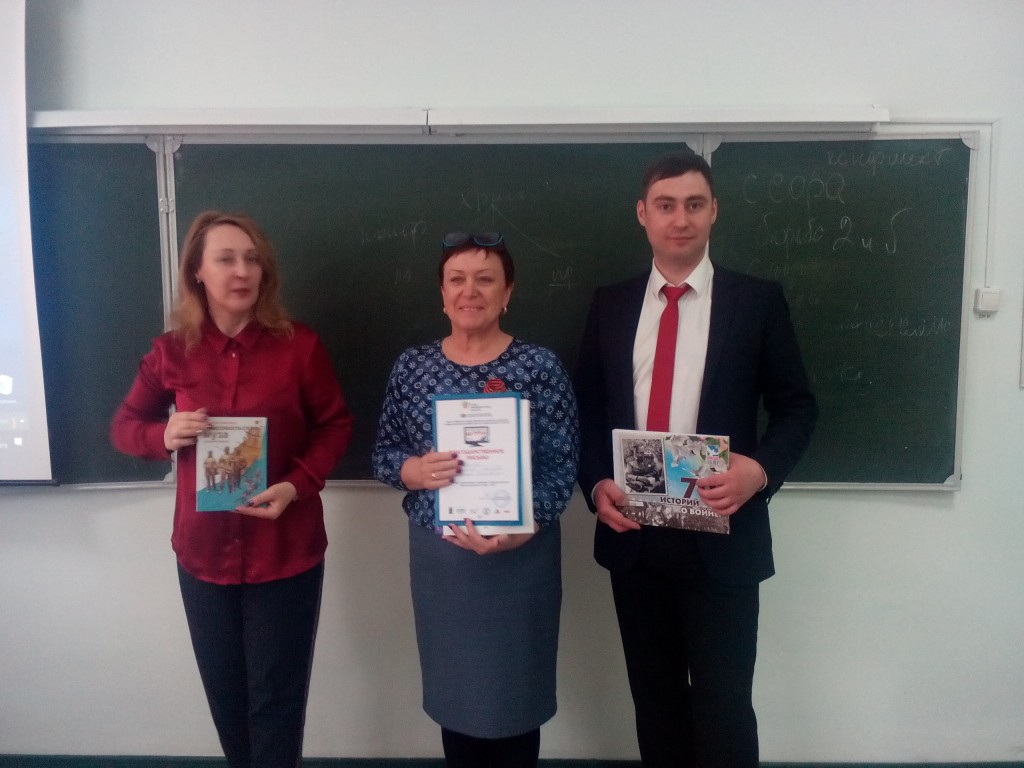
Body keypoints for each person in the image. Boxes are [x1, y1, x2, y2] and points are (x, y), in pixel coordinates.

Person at [574, 153, 818, 767]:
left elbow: (797, 407)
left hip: (723, 534)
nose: (679, 219)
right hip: (635, 535)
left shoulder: (755, 301)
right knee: (655, 702)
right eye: (666, 205)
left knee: (724, 706)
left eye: (693, 204)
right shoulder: (611, 304)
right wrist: (596, 483)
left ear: (714, 212)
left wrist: (759, 472)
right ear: (643, 214)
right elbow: (587, 411)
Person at [111, 210, 354, 768]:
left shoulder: (300, 347)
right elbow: (124, 427)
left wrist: (296, 485)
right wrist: (162, 435)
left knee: (276, 700)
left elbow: (335, 426)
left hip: (285, 553)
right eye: (226, 259)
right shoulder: (171, 352)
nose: (242, 271)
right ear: (198, 271)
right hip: (203, 556)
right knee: (226, 697)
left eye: (252, 260)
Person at [372, 231, 579, 768]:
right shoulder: (412, 367)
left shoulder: (539, 366)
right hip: (443, 565)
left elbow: (562, 465)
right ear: (442, 294)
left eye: (485, 279)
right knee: (458, 701)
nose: (471, 291)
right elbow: (384, 454)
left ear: (507, 293)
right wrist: (413, 470)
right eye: (457, 279)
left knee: (517, 702)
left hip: (521, 559)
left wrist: (523, 527)